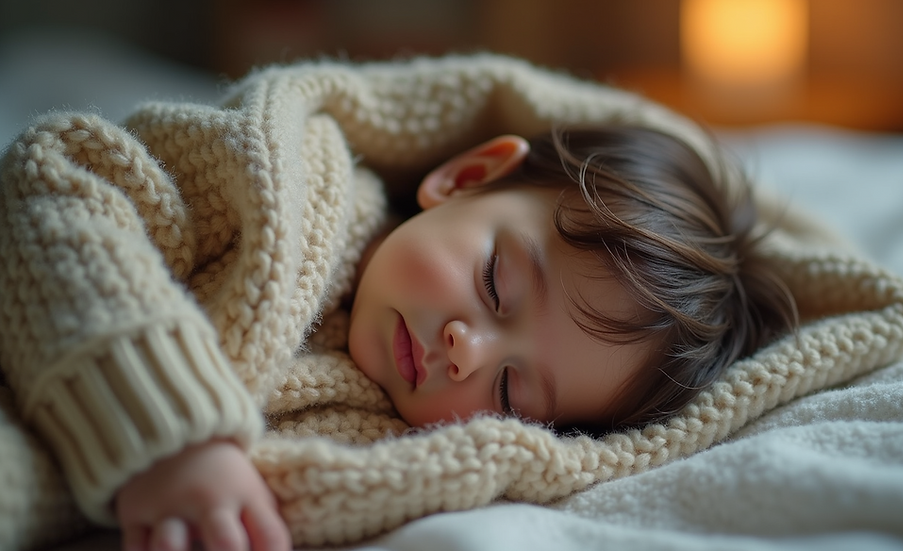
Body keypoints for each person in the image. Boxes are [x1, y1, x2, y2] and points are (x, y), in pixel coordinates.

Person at [0, 56, 795, 551]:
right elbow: (59, 178)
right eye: (495, 285)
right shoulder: (286, 185)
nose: (468, 350)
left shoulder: (393, 447)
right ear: (466, 177)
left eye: (513, 391)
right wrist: (167, 433)